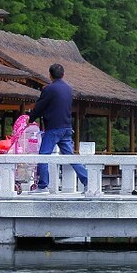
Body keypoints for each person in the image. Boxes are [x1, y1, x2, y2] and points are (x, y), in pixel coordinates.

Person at [26, 63, 91, 195]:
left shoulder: (49, 89)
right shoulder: (68, 89)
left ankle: (43, 185)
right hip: (66, 126)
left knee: (43, 155)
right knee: (70, 157)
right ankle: (87, 181)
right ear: (63, 74)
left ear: (50, 75)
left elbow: (40, 107)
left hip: (53, 128)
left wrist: (30, 118)